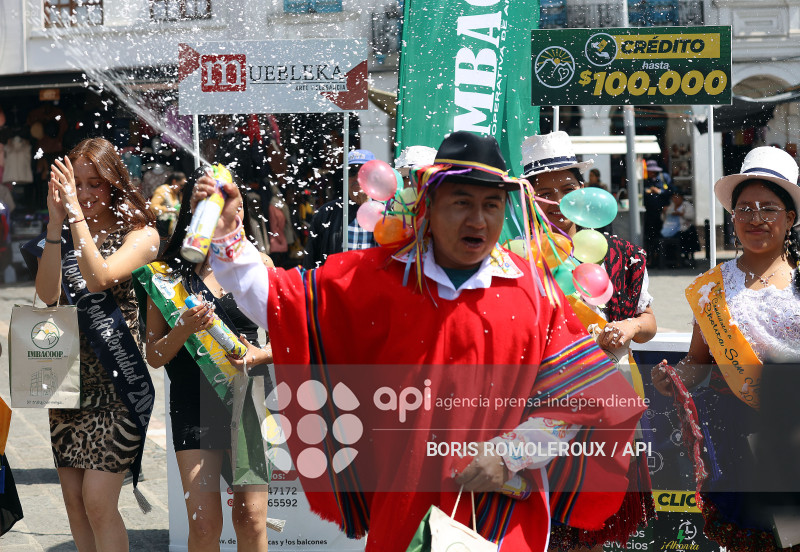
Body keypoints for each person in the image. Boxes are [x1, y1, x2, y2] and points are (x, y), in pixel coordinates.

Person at [194, 132, 647, 552]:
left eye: (491, 205)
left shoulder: (533, 292)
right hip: (404, 509)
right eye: (462, 203)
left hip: (498, 516)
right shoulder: (377, 277)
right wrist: (229, 235)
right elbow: (276, 301)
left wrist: (511, 453)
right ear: (429, 204)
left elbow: (589, 398)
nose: (478, 219)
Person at [652, 146, 800, 552]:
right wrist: (674, 376)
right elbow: (698, 361)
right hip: (738, 435)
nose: (755, 218)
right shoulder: (712, 288)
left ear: (790, 218)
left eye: (769, 209)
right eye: (744, 209)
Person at [522, 131, 657, 549]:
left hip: (606, 402)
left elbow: (648, 321)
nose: (557, 201)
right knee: (537, 522)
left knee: (592, 525)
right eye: (544, 193)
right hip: (538, 407)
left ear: (584, 190)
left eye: (567, 189)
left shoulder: (623, 255)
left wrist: (629, 328)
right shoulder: (516, 257)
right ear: (528, 199)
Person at [24, 137, 159, 552]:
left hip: (119, 387)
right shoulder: (63, 235)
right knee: (75, 505)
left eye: (94, 183)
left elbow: (99, 277)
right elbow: (47, 296)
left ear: (114, 182)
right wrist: (54, 226)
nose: (83, 193)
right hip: (67, 386)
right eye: (76, 184)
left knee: (99, 503)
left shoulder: (140, 235)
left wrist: (75, 217)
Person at [137, 168, 273, 552]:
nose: (228, 212)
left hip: (246, 398)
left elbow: (293, 342)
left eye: (235, 205)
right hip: (192, 400)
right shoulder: (166, 276)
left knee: (251, 519)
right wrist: (182, 329)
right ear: (194, 212)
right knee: (202, 525)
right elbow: (155, 355)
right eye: (212, 204)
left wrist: (257, 354)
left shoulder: (259, 266)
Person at [303, 149, 377, 268]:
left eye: (364, 172)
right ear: (345, 176)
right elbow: (310, 262)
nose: (358, 178)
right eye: (352, 172)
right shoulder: (325, 214)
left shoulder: (386, 214)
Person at [642, 160, 672, 262]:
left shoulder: (664, 177)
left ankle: (663, 258)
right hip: (650, 213)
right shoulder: (645, 181)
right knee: (651, 236)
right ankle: (652, 257)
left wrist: (659, 191)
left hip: (663, 212)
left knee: (662, 234)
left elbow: (671, 191)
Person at [661, 191, 700, 268]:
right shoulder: (671, 206)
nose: (675, 199)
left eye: (677, 197)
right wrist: (664, 212)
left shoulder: (686, 205)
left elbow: (691, 216)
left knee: (687, 235)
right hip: (671, 229)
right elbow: (663, 219)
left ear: (681, 198)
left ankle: (686, 257)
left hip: (684, 228)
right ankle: (672, 259)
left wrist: (681, 214)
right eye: (673, 197)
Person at [150, 171, 186, 240]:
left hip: (172, 230)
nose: (182, 187)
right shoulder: (162, 190)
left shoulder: (177, 193)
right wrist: (168, 209)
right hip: (162, 230)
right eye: (181, 185)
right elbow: (153, 206)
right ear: (174, 181)